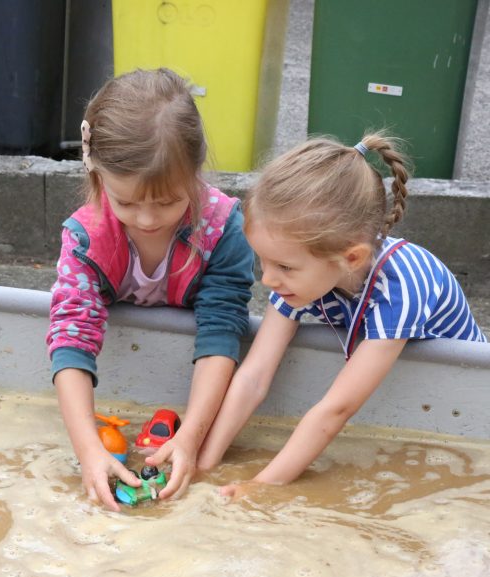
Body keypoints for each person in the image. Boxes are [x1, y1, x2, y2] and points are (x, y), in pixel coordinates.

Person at [196, 132, 487, 496]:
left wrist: (259, 487)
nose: (267, 279)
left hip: (469, 403)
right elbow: (253, 377)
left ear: (352, 258)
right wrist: (204, 463)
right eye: (263, 261)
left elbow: (335, 410)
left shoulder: (402, 286)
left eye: (283, 266)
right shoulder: (306, 277)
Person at [46, 68, 254, 511]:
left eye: (167, 201)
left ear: (195, 174)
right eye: (125, 202)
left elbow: (221, 329)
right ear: (97, 175)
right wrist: (88, 450)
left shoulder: (222, 230)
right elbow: (71, 337)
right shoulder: (85, 239)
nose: (146, 219)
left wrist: (190, 436)